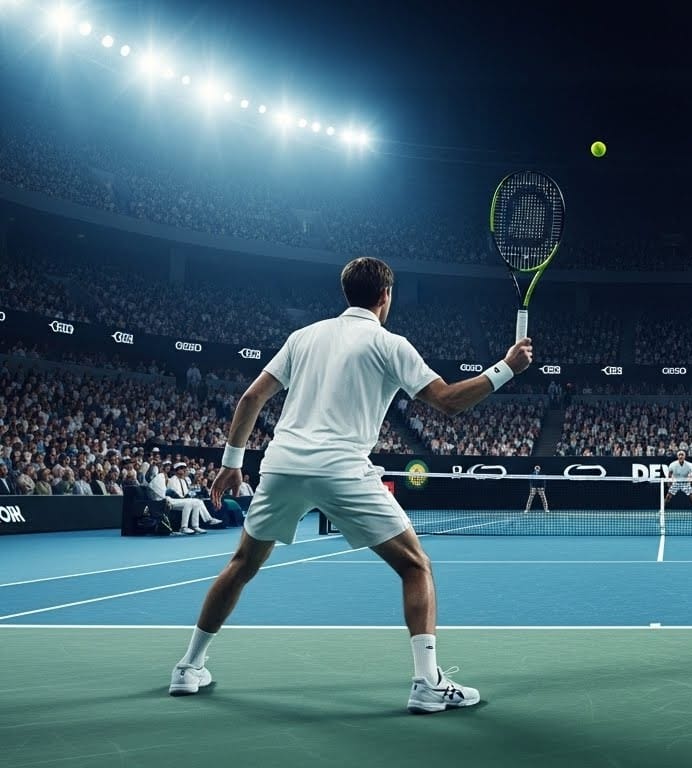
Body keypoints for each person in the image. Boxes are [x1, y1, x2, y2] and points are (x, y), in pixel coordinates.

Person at [169, 256, 533, 714]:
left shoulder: (303, 337)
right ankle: (427, 683)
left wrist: (232, 463)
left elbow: (251, 397)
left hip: (282, 464)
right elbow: (448, 402)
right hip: (341, 467)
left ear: (348, 293)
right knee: (415, 566)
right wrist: (506, 368)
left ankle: (187, 667)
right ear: (385, 296)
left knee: (242, 564)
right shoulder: (390, 344)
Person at [665, 449, 692, 518]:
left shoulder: (689, 465)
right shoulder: (672, 465)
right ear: (677, 456)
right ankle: (662, 510)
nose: (681, 456)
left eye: (682, 455)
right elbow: (670, 474)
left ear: (684, 456)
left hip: (685, 483)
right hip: (676, 482)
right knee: (668, 497)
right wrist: (669, 483)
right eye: (679, 455)